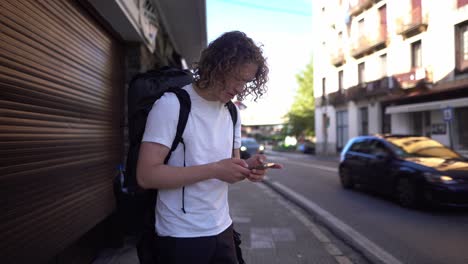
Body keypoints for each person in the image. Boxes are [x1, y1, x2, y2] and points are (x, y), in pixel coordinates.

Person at [136, 30, 282, 264]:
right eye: (236, 77)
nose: (240, 88)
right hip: (179, 235)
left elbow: (229, 169)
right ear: (217, 66)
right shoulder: (172, 105)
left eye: (246, 82)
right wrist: (214, 169)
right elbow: (146, 175)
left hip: (222, 228)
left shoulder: (232, 112)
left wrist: (247, 168)